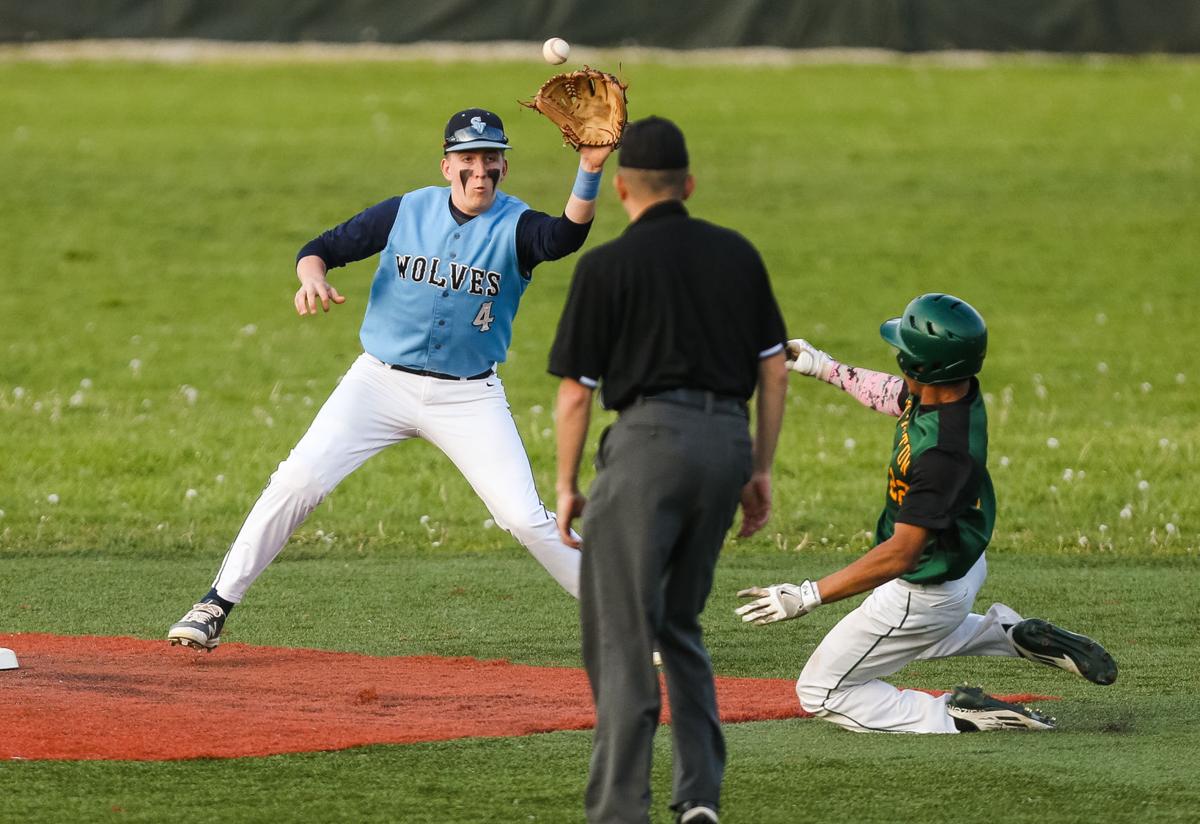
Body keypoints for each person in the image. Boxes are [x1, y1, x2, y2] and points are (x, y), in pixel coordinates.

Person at [168, 108, 614, 650]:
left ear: (505, 166)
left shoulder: (517, 226)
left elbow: (566, 235)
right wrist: (312, 278)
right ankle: (215, 603)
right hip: (377, 385)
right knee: (298, 481)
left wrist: (589, 168)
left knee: (522, 517)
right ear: (446, 165)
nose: (480, 169)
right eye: (467, 158)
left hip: (467, 395)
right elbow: (321, 249)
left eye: (491, 158)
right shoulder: (408, 210)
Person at [550, 116, 789, 824]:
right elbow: (772, 369)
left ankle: (621, 810)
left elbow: (574, 392)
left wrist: (566, 484)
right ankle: (699, 799)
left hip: (647, 446)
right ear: (688, 185)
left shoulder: (606, 265)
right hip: (725, 446)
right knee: (679, 622)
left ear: (621, 186)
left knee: (625, 632)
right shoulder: (737, 255)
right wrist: (759, 467)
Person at [736, 293, 1118, 733]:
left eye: (904, 351)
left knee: (822, 691)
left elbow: (900, 554)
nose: (899, 356)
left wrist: (807, 595)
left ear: (922, 368)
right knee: (905, 640)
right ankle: (1009, 635)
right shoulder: (952, 395)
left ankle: (958, 716)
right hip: (962, 567)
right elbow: (893, 395)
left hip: (922, 592)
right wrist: (824, 366)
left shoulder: (941, 456)